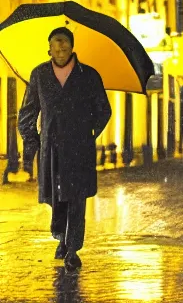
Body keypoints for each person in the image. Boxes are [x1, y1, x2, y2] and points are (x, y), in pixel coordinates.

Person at [18, 27, 112, 272]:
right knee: (56, 198)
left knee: (76, 199)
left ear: (72, 48)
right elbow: (28, 112)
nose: (60, 50)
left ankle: (72, 249)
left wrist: (88, 132)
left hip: (80, 149)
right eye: (55, 46)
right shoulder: (39, 75)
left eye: (65, 46)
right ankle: (60, 234)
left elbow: (103, 110)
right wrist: (33, 141)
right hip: (51, 149)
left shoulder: (88, 76)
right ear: (49, 48)